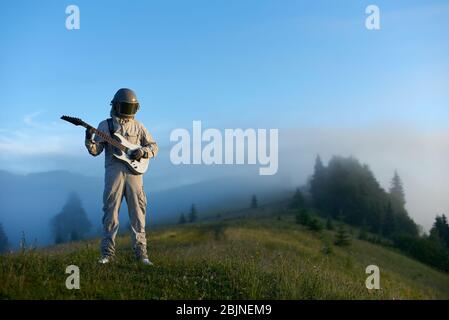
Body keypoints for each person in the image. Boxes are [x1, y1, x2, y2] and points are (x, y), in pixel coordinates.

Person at [85, 88, 158, 265]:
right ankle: (107, 255)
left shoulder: (139, 126)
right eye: (125, 106)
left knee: (138, 214)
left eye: (130, 107)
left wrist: (142, 151)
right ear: (116, 105)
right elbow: (96, 151)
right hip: (114, 174)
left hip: (135, 175)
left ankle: (142, 255)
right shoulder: (105, 125)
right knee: (110, 214)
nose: (127, 110)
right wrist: (89, 140)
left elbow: (154, 147)